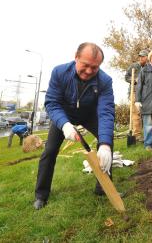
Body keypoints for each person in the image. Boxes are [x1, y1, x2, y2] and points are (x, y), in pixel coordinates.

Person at [33, 42, 115, 210]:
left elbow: (106, 112)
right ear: (76, 57)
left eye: (95, 67)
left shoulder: (105, 81)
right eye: (85, 65)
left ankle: (103, 189)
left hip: (89, 114)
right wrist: (64, 125)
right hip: (64, 114)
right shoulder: (59, 72)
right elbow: (52, 103)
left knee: (106, 141)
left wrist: (105, 144)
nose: (89, 71)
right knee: (49, 151)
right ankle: (41, 195)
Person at [125, 50, 148, 142]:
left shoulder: (149, 67)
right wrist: (135, 80)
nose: (141, 58)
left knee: (146, 113)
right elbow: (126, 77)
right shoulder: (133, 66)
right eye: (140, 56)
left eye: (143, 56)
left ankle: (147, 133)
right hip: (134, 92)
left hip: (146, 93)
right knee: (136, 114)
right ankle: (137, 135)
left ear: (147, 57)